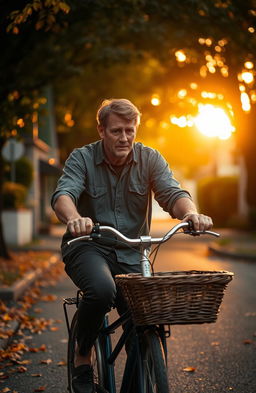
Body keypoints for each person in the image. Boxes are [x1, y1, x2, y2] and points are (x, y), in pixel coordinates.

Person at [51, 98, 213, 393]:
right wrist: (74, 218)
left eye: (130, 130)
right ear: (101, 130)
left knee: (144, 323)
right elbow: (65, 193)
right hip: (88, 246)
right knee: (101, 291)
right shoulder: (82, 158)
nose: (124, 137)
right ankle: (83, 353)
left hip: (132, 252)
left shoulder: (149, 159)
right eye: (116, 131)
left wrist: (190, 213)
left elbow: (172, 191)